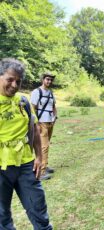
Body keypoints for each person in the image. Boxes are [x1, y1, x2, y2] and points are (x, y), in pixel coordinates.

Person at [0, 58, 52, 229]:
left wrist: (38, 156)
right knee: (2, 216)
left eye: (18, 81)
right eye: (10, 79)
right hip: (2, 167)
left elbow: (35, 129)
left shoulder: (23, 101)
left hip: (26, 164)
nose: (14, 85)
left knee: (38, 208)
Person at [31, 72, 57, 180]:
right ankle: (41, 172)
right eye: (47, 79)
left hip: (50, 122)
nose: (49, 81)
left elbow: (54, 106)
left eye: (51, 80)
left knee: (45, 146)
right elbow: (33, 108)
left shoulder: (50, 93)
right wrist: (36, 123)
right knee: (43, 146)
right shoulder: (37, 92)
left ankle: (44, 165)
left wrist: (55, 117)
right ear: (43, 80)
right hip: (41, 123)